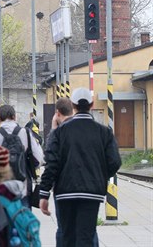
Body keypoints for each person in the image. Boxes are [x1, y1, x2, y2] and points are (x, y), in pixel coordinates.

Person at [39, 87, 121, 247]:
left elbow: (51, 163)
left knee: (67, 236)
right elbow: (115, 162)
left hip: (65, 192)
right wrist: (99, 175)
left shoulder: (60, 132)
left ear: (73, 105)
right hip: (91, 192)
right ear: (92, 104)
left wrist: (44, 193)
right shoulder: (104, 132)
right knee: (86, 236)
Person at [0, 104, 44, 209]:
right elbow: (39, 158)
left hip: (0, 190)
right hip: (22, 189)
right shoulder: (26, 133)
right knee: (23, 223)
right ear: (14, 117)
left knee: (2, 223)